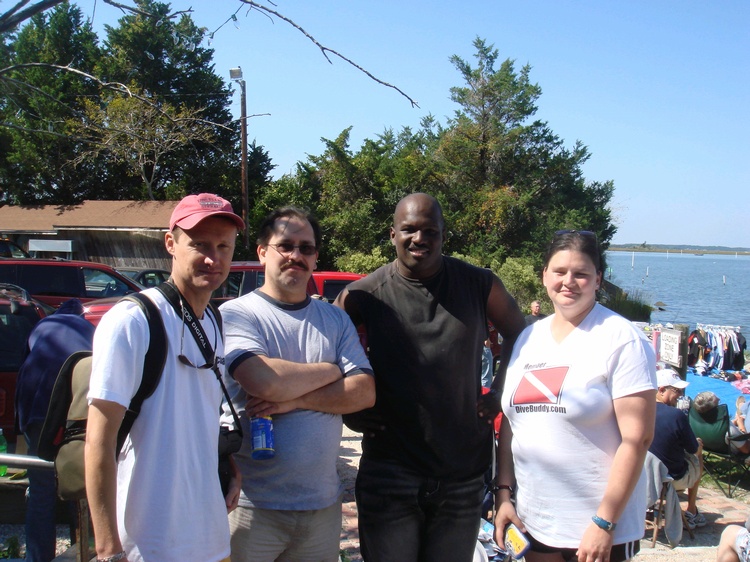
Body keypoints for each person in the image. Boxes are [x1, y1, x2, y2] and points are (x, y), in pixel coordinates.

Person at [335, 192, 526, 562]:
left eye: (430, 231)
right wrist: (349, 411)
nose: (419, 239)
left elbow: (521, 333)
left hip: (464, 474)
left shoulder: (479, 284)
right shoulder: (362, 295)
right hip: (391, 473)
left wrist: (500, 391)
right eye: (409, 229)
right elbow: (326, 355)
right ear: (392, 234)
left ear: (442, 235)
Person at [85, 193, 244, 562]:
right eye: (200, 244)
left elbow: (200, 415)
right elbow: (98, 442)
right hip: (149, 545)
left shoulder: (213, 321)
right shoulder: (134, 320)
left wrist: (228, 466)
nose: (213, 257)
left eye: (224, 246)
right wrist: (109, 550)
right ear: (170, 243)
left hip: (210, 538)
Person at [220, 206, 374, 562]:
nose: (296, 255)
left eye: (306, 248)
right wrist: (333, 369)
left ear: (316, 257)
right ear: (262, 252)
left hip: (322, 507)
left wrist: (296, 401)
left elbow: (365, 392)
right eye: (285, 245)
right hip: (250, 506)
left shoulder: (334, 319)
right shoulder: (237, 313)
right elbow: (264, 382)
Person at [495, 229, 657, 562]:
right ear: (544, 276)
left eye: (581, 273)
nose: (569, 281)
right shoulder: (528, 337)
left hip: (596, 528)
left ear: (598, 279)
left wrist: (604, 521)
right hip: (535, 521)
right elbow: (513, 422)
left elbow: (637, 439)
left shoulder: (621, 338)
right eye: (560, 271)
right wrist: (504, 494)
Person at [15, 298, 95, 562]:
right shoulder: (89, 331)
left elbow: (24, 375)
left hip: (38, 410)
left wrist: (21, 426)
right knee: (80, 486)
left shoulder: (42, 327)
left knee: (40, 491)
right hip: (74, 414)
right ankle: (83, 552)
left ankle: (38, 558)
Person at [649, 369, 706, 529]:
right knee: (698, 454)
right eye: (677, 391)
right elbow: (694, 450)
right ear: (661, 390)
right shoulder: (676, 416)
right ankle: (692, 510)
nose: (681, 395)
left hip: (643, 477)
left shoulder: (641, 410)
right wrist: (698, 445)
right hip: (670, 479)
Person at [694, 391, 750, 456]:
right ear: (715, 409)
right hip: (739, 447)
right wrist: (740, 424)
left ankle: (742, 409)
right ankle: (742, 409)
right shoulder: (728, 428)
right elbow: (746, 449)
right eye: (718, 402)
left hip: (710, 446)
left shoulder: (695, 421)